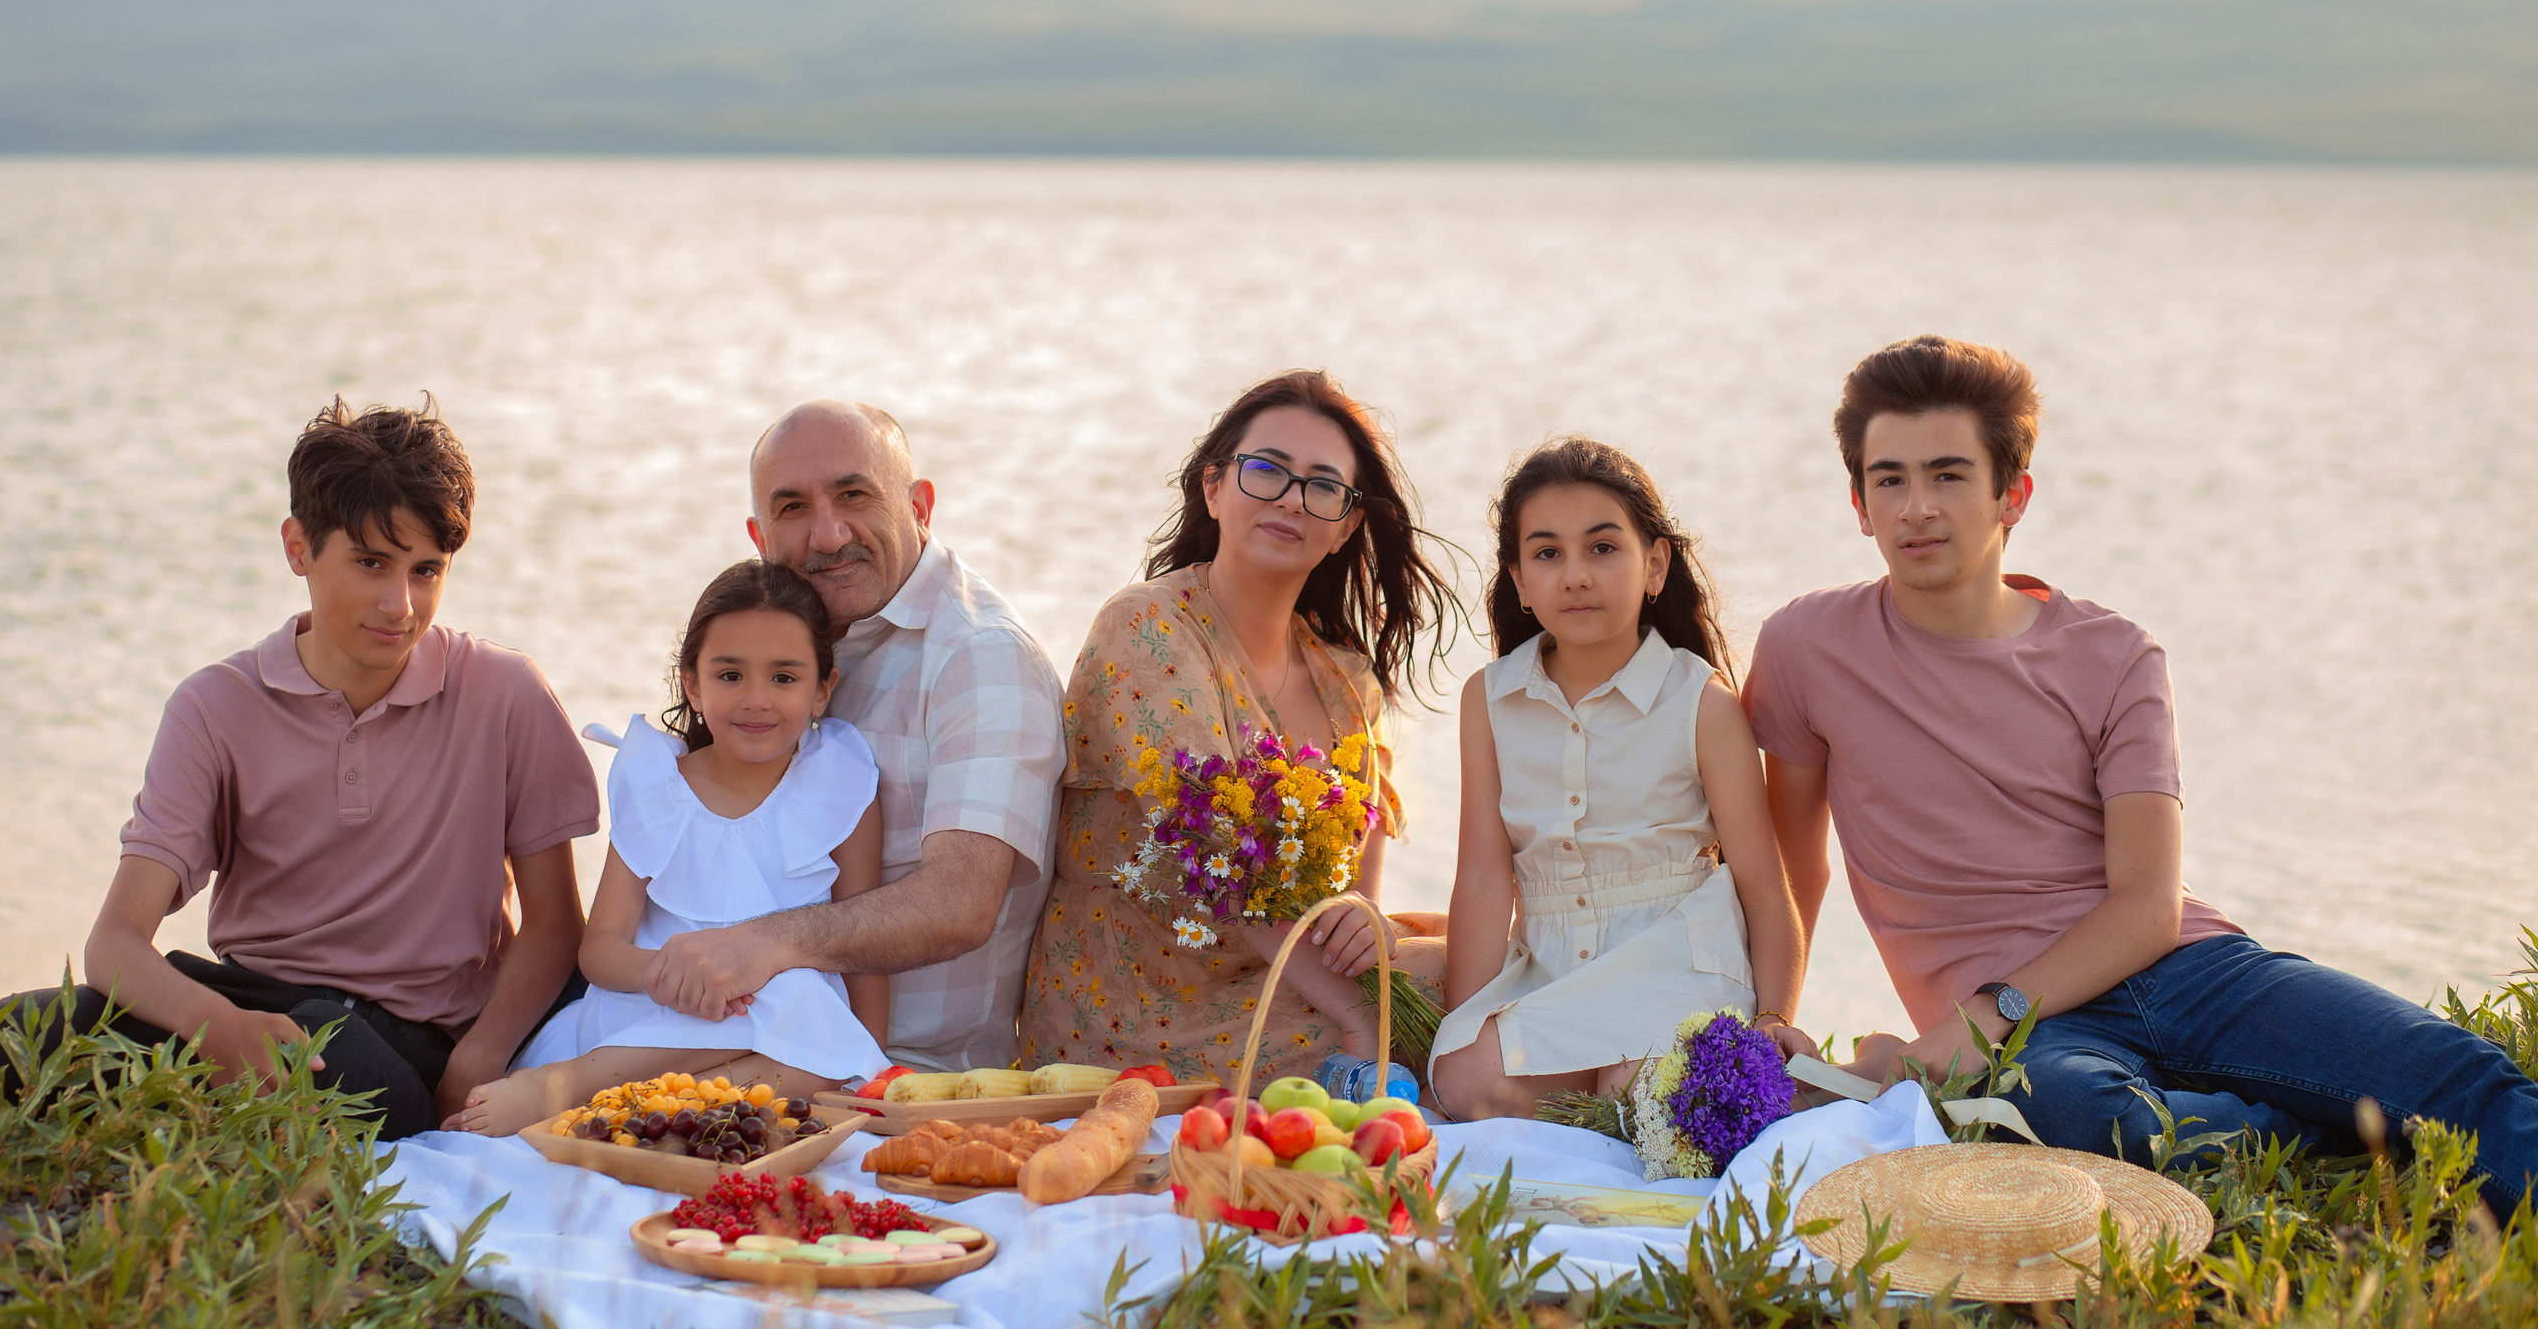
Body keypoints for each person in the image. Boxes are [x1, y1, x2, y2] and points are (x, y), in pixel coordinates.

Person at [1745, 335, 2538, 1214]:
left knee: (2458, 1073)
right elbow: (1791, 863)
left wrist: (1971, 1026)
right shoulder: (1807, 649)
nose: (1917, 507)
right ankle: (2321, 1129)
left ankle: (2352, 1117)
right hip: (2050, 1039)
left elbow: (2148, 903)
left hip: (2189, 971)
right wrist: (1772, 1019)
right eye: (1888, 479)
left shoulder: (2113, 653)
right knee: (2084, 1118)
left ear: (2014, 493)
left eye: (1949, 474)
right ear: (1858, 503)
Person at [2, 399, 599, 1138]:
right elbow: (115, 942)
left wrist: (478, 1057)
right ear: (298, 547)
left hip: (398, 1043)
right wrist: (217, 1024)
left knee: (332, 1056)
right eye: (371, 562)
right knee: (13, 1033)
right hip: (240, 1001)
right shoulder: (213, 706)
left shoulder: (506, 694)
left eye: (427, 569)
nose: (400, 604)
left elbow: (553, 924)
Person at [1018, 371, 1459, 1091]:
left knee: (1498, 953)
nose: (1291, 496)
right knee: (1474, 992)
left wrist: (1365, 928)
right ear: (1214, 488)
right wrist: (1358, 1014)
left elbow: (1354, 899)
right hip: (1137, 1018)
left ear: (1346, 525)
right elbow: (1224, 854)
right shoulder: (1148, 628)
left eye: (1322, 485)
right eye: (1268, 470)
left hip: (1292, 975)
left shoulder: (1348, 681)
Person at [636, 403, 1062, 1073]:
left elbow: (960, 904)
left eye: (854, 495)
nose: (828, 535)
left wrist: (765, 944)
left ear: (920, 505)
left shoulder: (979, 657)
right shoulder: (783, 641)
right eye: (793, 508)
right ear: (759, 536)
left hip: (901, 1070)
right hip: (733, 1026)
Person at [1428, 438, 1815, 1120]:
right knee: (1461, 1080)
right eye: (1548, 554)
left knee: (1647, 1094)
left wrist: (1775, 1013)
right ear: (1519, 580)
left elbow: (1762, 880)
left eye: (1603, 548)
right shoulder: (1488, 699)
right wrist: (1464, 1021)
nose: (1575, 575)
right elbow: (1486, 877)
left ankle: (1666, 1085)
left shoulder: (1700, 700)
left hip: (1675, 957)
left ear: (1655, 564)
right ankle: (1600, 1098)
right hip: (1553, 965)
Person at [447, 561, 890, 1134]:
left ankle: (614, 1105)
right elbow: (599, 948)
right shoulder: (658, 783)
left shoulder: (840, 780)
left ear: (822, 690)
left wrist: (869, 1059)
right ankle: (573, 1084)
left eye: (784, 678)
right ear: (693, 683)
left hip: (782, 1026)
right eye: (730, 675)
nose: (757, 699)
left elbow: (866, 944)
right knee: (787, 996)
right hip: (652, 1015)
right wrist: (678, 975)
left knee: (799, 996)